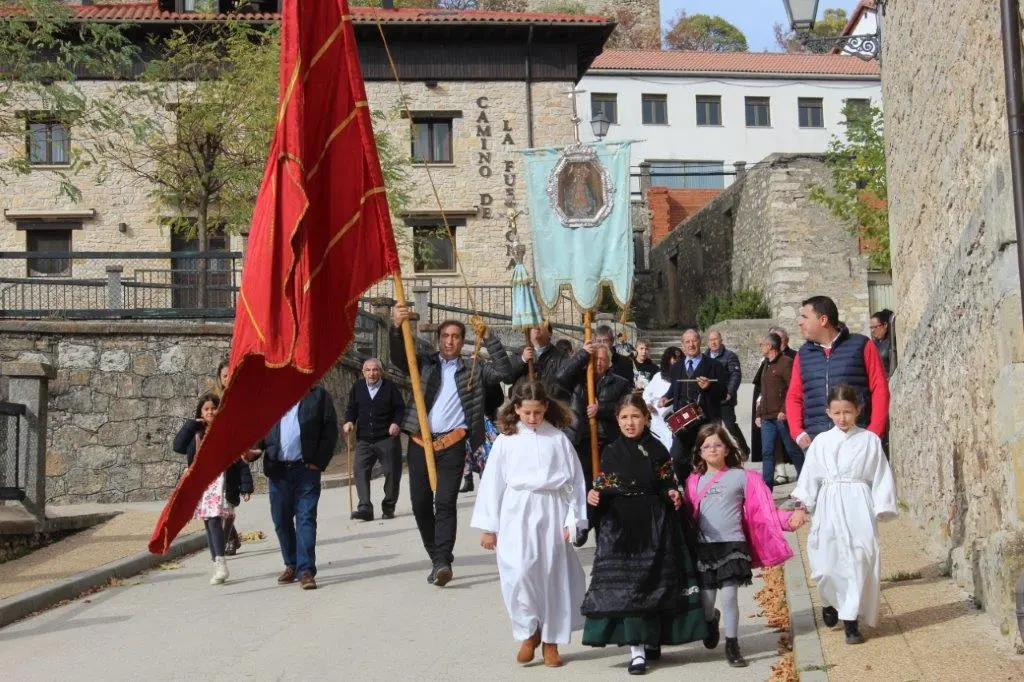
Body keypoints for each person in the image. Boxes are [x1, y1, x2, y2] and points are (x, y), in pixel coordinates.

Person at [581, 394, 707, 676]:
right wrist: (593, 496)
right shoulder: (611, 451)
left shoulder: (658, 449)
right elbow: (604, 486)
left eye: (635, 416)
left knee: (654, 586)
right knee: (630, 591)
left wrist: (671, 492)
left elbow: (665, 481)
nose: (630, 422)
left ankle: (654, 639)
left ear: (646, 418)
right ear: (617, 420)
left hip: (654, 525)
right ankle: (636, 649)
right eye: (624, 417)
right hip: (622, 530)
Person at [390, 306, 514, 587]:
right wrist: (397, 328)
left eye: (456, 336)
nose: (449, 341)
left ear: (463, 340)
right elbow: (399, 357)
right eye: (445, 336)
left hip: (453, 443)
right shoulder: (424, 363)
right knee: (420, 504)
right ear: (439, 339)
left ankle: (443, 561)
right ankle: (436, 557)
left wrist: (491, 337)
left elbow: (505, 371)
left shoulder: (475, 369)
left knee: (445, 502)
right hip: (420, 442)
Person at [470, 381, 588, 669]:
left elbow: (576, 483)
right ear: (516, 410)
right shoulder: (505, 441)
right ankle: (528, 630)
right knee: (519, 572)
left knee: (552, 574)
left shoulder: (558, 439)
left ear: (546, 408)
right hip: (516, 511)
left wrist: (574, 521)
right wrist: (489, 526)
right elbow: (492, 484)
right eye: (527, 413)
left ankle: (551, 640)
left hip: (551, 510)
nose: (532, 418)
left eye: (537, 412)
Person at [683, 423, 803, 668]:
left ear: (727, 449)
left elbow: (764, 511)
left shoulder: (743, 477)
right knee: (706, 602)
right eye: (707, 446)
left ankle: (732, 644)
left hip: (733, 546)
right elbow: (686, 515)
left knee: (729, 596)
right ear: (699, 452)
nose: (712, 449)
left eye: (718, 444)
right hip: (704, 547)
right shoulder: (692, 481)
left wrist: (789, 520)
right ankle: (710, 620)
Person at [790, 384, 897, 645]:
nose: (842, 418)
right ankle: (829, 600)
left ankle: (851, 621)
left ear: (858, 411)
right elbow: (811, 475)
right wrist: (802, 505)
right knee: (826, 562)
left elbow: (881, 475)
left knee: (859, 558)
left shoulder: (869, 440)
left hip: (858, 504)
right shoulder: (822, 443)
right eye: (837, 413)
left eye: (847, 412)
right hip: (828, 504)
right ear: (828, 412)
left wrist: (881, 506)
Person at [259, 384, 339, 590]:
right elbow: (260, 427)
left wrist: (318, 462)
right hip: (278, 470)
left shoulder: (318, 395)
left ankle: (305, 570)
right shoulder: (270, 396)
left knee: (305, 517)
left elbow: (329, 430)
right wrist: (254, 449)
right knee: (281, 520)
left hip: (306, 469)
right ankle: (291, 564)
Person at [786, 296, 890, 449]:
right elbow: (794, 396)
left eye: (805, 317)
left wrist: (874, 432)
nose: (800, 322)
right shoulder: (802, 355)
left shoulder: (861, 345)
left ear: (823, 320)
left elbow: (880, 388)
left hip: (858, 440)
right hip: (816, 444)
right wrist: (798, 433)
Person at [556, 342, 633, 546]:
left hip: (607, 442)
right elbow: (560, 377)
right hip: (581, 441)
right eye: (595, 359)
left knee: (605, 487)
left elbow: (625, 409)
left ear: (609, 363)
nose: (599, 363)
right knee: (583, 486)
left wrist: (602, 410)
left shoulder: (620, 383)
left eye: (603, 360)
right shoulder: (579, 379)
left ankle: (604, 528)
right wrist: (582, 354)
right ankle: (583, 523)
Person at [174, 392, 247, 586]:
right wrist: (192, 424)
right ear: (200, 412)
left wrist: (246, 484)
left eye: (213, 408)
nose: (210, 412)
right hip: (202, 482)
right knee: (209, 522)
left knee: (216, 519)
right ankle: (217, 563)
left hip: (222, 481)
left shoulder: (225, 431)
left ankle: (220, 560)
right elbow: (178, 446)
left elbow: (239, 461)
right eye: (206, 409)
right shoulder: (195, 433)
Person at [660, 328, 728, 485]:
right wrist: (666, 397)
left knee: (706, 460)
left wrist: (709, 387)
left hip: (706, 422)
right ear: (682, 345)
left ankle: (706, 491)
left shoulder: (714, 365)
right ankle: (687, 489)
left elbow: (723, 393)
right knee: (677, 457)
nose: (691, 345)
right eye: (687, 342)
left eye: (694, 341)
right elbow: (674, 389)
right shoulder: (676, 367)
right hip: (682, 424)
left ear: (700, 342)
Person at [343, 357, 405, 521]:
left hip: (386, 438)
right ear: (363, 372)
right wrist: (349, 421)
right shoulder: (358, 387)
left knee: (392, 472)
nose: (372, 373)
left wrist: (396, 423)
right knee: (360, 471)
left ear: (381, 372)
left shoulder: (390, 388)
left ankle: (389, 507)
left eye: (375, 370)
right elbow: (351, 409)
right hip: (364, 439)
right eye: (368, 370)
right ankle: (365, 507)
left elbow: (400, 409)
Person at [212, 359, 255, 555]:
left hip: (233, 455)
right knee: (217, 505)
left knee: (228, 502)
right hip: (215, 456)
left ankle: (227, 540)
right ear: (219, 378)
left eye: (231, 375)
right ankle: (232, 538)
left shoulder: (241, 398)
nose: (228, 379)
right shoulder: (212, 401)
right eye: (224, 376)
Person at [755, 333, 805, 489]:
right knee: (767, 452)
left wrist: (784, 410)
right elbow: (762, 392)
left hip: (781, 417)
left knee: (792, 450)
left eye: (762, 344)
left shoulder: (786, 363)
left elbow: (794, 389)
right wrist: (759, 413)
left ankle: (805, 483)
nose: (760, 347)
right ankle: (767, 489)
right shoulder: (765, 364)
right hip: (767, 418)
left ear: (770, 346)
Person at [707, 329, 749, 457]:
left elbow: (735, 376)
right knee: (714, 428)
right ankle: (720, 453)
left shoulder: (730, 356)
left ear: (721, 340)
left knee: (730, 425)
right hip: (711, 399)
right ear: (708, 343)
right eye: (711, 340)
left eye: (716, 339)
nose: (713, 342)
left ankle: (744, 449)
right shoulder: (705, 357)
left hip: (725, 398)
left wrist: (730, 392)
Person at [508, 320, 570, 401]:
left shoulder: (560, 356)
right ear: (528, 333)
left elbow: (565, 383)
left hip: (548, 405)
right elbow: (507, 378)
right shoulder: (519, 352)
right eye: (533, 326)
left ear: (550, 333)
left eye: (541, 324)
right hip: (523, 404)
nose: (536, 327)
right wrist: (522, 360)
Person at [460, 380, 503, 493]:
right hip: (466, 420)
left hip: (485, 417)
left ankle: (486, 480)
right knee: (467, 452)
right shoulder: (460, 375)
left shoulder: (486, 374)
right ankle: (469, 479)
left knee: (487, 452)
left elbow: (498, 398)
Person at [642, 346, 682, 451]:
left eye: (679, 359)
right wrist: (648, 404)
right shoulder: (659, 376)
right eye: (674, 359)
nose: (677, 361)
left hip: (676, 420)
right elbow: (646, 394)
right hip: (658, 420)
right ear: (668, 360)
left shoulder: (683, 376)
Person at [869, 309, 896, 377]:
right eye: (871, 328)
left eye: (875, 327)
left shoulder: (891, 343)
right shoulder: (873, 344)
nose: (872, 331)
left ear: (885, 325)